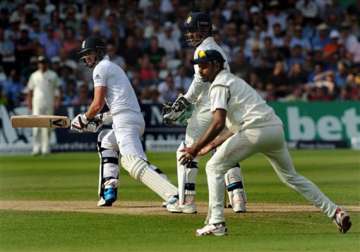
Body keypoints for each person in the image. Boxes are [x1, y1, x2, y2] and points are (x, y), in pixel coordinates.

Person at [179, 49, 352, 236]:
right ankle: (335, 212)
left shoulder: (219, 85)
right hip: (274, 130)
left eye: (204, 66)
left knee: (214, 167)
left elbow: (218, 122)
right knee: (292, 177)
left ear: (216, 65)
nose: (201, 70)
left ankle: (217, 222)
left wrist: (194, 149)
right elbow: (234, 126)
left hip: (254, 131)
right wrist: (212, 145)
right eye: (199, 66)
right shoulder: (234, 81)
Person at [70, 37, 178, 208]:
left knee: (132, 162)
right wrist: (99, 119)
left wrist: (84, 119)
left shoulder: (100, 68)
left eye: (89, 53)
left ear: (98, 52)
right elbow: (120, 105)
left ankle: (173, 194)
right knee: (106, 140)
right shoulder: (112, 67)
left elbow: (97, 104)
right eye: (84, 55)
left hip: (125, 122)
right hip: (131, 118)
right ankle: (109, 188)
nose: (86, 58)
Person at [164, 12, 247, 214]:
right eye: (189, 31)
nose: (190, 34)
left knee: (186, 150)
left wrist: (186, 100)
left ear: (204, 29)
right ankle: (238, 199)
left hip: (208, 107)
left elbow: (201, 80)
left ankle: (187, 201)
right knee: (223, 151)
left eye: (193, 30)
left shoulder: (203, 49)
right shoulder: (217, 48)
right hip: (225, 105)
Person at [26, 55, 61, 155]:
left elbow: (57, 90)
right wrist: (29, 102)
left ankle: (46, 149)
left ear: (46, 64)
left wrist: (57, 100)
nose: (42, 65)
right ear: (38, 64)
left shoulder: (53, 75)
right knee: (36, 127)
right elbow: (30, 90)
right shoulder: (34, 75)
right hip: (37, 103)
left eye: (43, 63)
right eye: (40, 63)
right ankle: (36, 148)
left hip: (49, 103)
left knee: (48, 127)